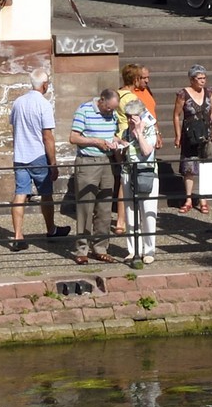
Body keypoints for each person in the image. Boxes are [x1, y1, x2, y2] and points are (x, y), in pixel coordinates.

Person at [69, 83, 125, 265]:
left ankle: (100, 247)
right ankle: (81, 249)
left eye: (113, 109)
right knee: (85, 206)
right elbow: (74, 137)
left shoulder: (113, 113)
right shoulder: (84, 110)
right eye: (109, 108)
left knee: (105, 206)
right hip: (88, 162)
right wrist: (96, 142)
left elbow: (112, 135)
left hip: (107, 162)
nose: (111, 112)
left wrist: (119, 142)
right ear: (102, 101)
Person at [9, 68, 58, 250]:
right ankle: (51, 229)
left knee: (20, 194)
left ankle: (17, 235)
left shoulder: (18, 102)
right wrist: (53, 163)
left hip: (20, 155)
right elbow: (47, 136)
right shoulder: (43, 104)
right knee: (46, 194)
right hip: (38, 155)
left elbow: (14, 128)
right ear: (44, 84)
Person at [121, 92, 159, 262]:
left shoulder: (150, 129)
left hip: (146, 173)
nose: (130, 120)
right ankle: (133, 249)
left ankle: (149, 250)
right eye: (128, 117)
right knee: (130, 212)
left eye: (133, 117)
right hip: (128, 172)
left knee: (148, 212)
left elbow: (147, 151)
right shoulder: (125, 132)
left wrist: (139, 133)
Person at [175, 64, 212, 211]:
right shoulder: (183, 94)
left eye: (204, 78)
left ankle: (203, 199)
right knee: (189, 167)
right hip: (190, 133)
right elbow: (176, 114)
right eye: (200, 78)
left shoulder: (209, 92)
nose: (203, 81)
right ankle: (188, 199)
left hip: (206, 133)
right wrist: (178, 135)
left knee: (205, 167)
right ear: (192, 79)